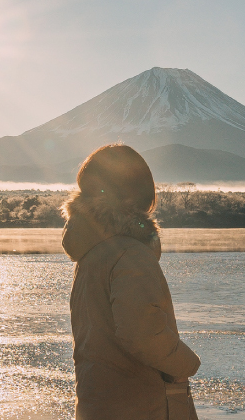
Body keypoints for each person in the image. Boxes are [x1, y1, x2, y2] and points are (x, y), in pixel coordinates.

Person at [62, 144, 200, 419]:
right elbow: (140, 331)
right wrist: (186, 363)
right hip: (140, 405)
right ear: (138, 193)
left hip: (98, 402)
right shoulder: (130, 254)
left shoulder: (90, 256)